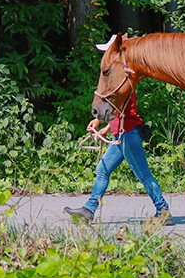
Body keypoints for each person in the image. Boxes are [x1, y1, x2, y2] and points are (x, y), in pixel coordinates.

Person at [65, 52, 172, 226]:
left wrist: (99, 121)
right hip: (122, 133)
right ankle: (88, 210)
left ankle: (163, 210)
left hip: (128, 134)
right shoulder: (121, 79)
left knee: (144, 175)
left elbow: (114, 107)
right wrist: (106, 127)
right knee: (103, 169)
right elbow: (118, 112)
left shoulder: (124, 81)